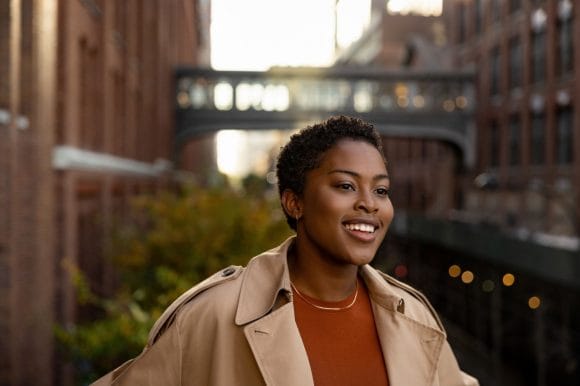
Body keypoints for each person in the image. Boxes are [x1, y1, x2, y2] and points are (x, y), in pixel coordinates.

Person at [93, 115, 478, 386]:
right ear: (295, 203)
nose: (370, 203)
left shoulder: (414, 318)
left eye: (380, 190)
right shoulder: (212, 317)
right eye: (345, 186)